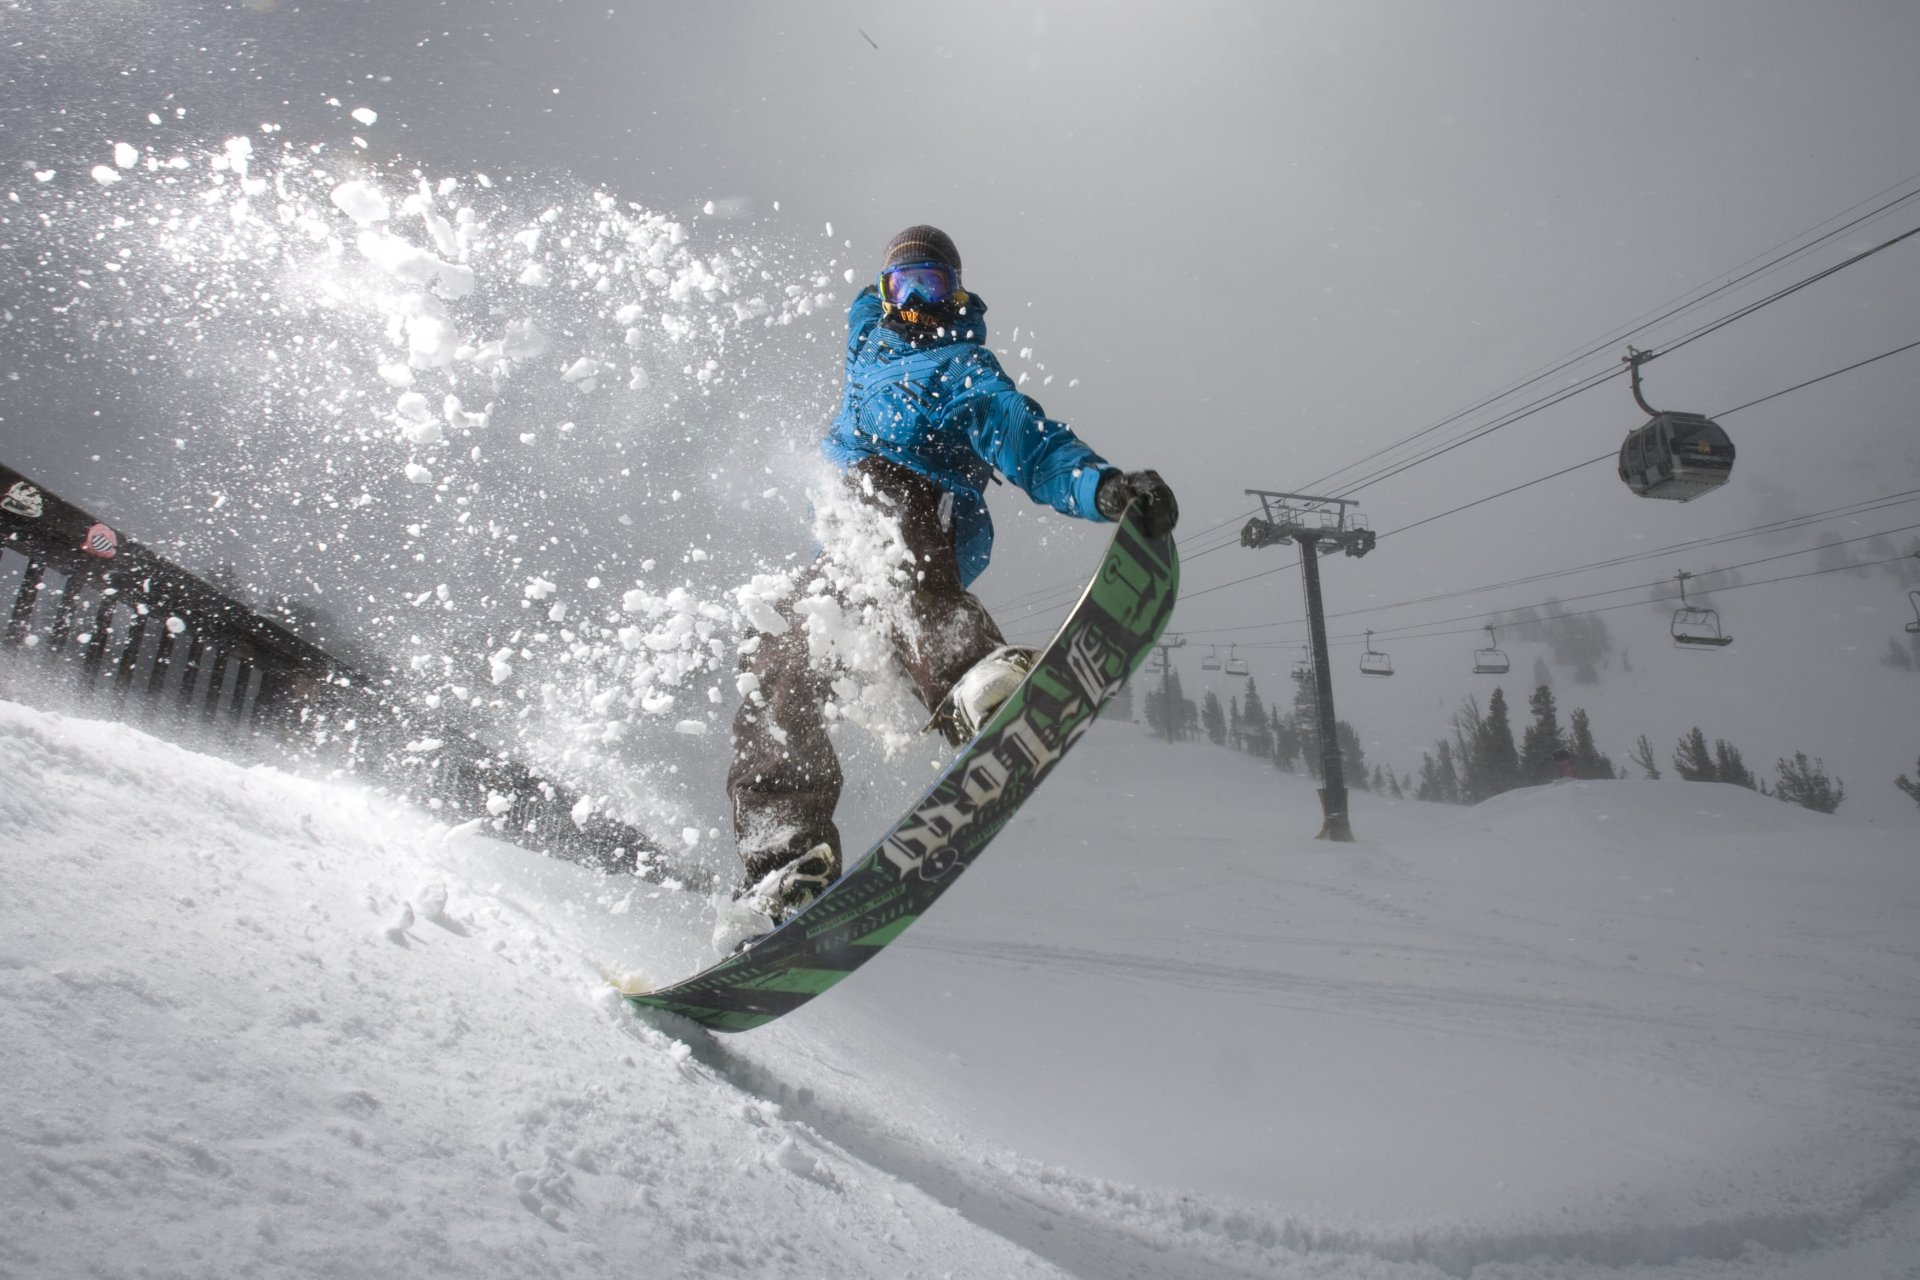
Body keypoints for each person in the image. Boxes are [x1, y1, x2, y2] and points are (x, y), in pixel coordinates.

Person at [718, 225, 1177, 947]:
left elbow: (1034, 445)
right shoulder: (866, 342)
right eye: (906, 287)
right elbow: (862, 310)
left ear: (956, 295)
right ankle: (784, 858)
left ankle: (971, 675)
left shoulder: (962, 367)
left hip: (919, 532)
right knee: (776, 644)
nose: (919, 302)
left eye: (934, 286)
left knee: (880, 498)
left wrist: (1106, 487)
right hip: (844, 565)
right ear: (883, 295)